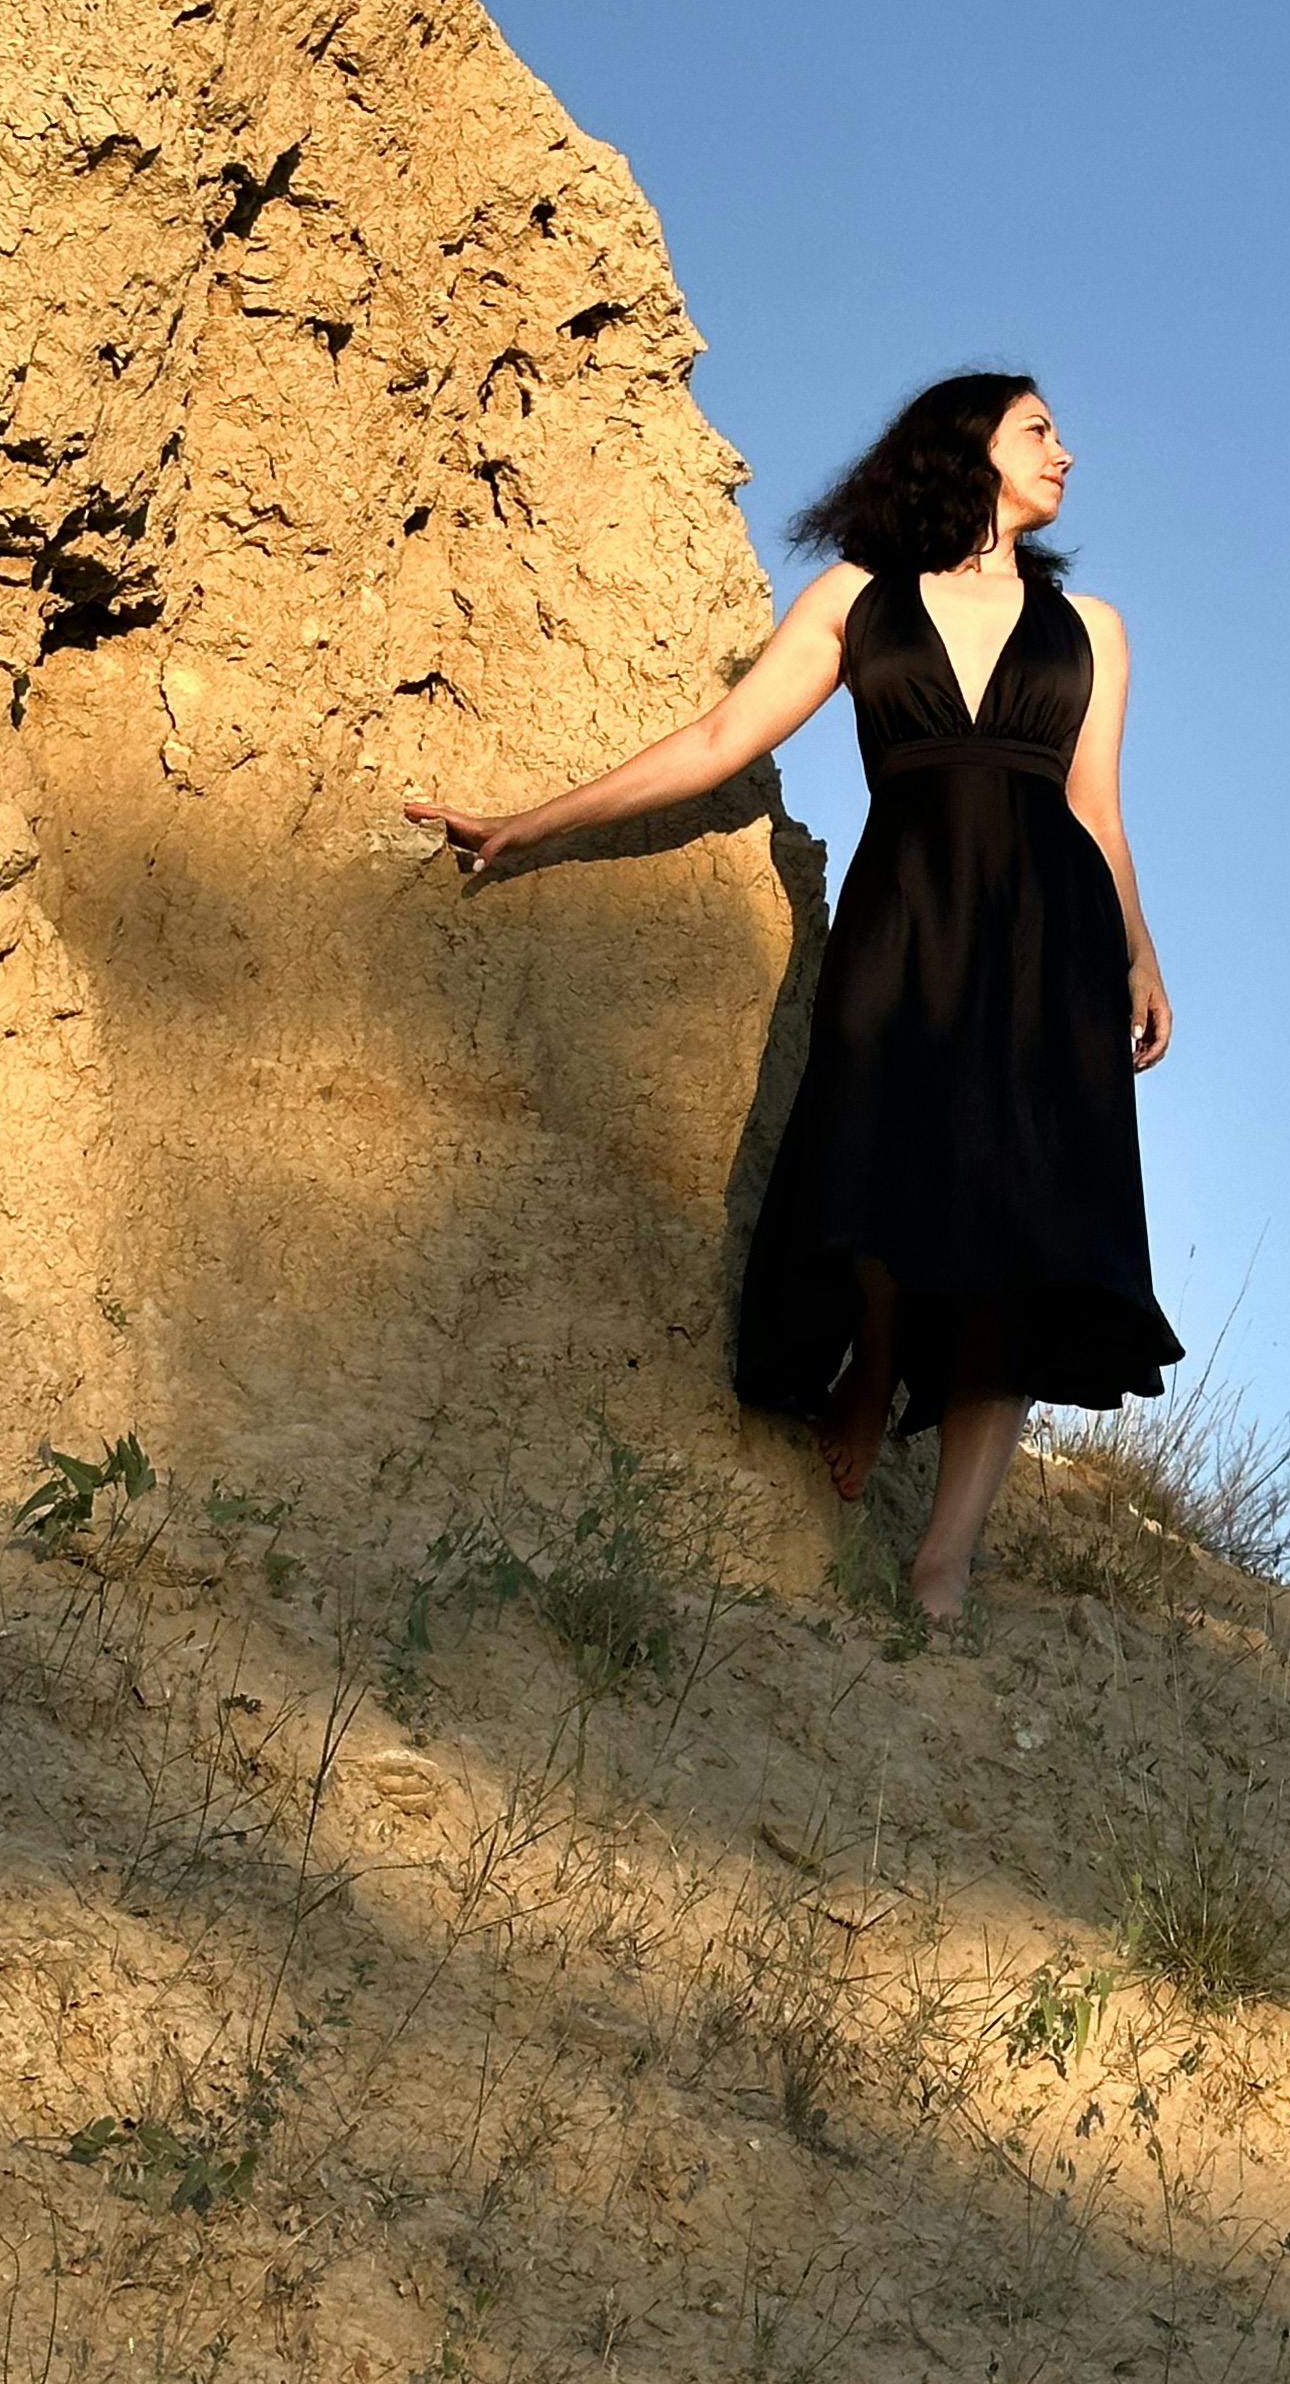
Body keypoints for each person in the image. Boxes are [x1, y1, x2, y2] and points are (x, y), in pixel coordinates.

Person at [405, 372, 1181, 1619]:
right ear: (966, 446)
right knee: (867, 1151)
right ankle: (874, 1359)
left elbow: (1097, 810)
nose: (1067, 452)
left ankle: (943, 1564)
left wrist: (1141, 954)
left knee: (1035, 1236)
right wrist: (527, 824)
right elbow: (722, 739)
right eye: (1040, 429)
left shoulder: (1091, 629)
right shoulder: (857, 602)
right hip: (905, 920)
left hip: (1053, 945)